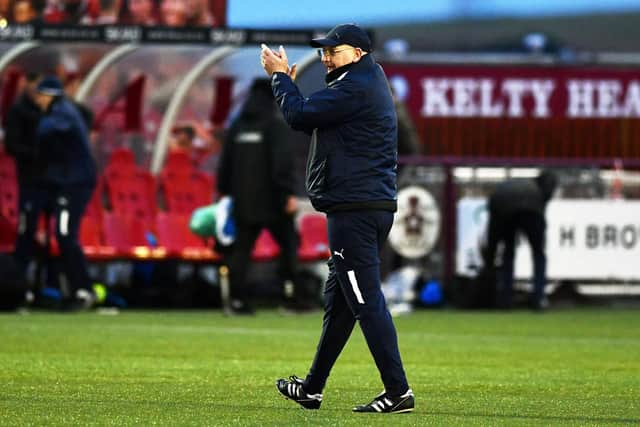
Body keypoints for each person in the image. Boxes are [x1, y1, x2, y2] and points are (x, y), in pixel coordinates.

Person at [261, 23, 414, 413]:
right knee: (342, 303)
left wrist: (279, 77)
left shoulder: (354, 87)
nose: (327, 57)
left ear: (358, 53)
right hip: (366, 207)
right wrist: (289, 85)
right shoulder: (363, 80)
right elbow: (311, 112)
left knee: (365, 301)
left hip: (354, 210)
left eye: (335, 50)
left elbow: (298, 116)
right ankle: (312, 388)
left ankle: (398, 392)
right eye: (325, 51)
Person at [216, 79, 302, 315]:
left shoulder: (237, 127)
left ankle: (236, 300)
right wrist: (288, 194)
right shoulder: (274, 125)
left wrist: (224, 192)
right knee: (289, 244)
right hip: (273, 201)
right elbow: (281, 165)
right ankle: (290, 297)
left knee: (241, 251)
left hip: (243, 201)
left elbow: (225, 165)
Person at [34, 75, 98, 311]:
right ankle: (76, 288)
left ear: (48, 95)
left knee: (65, 235)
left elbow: (46, 131)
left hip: (73, 183)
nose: (38, 101)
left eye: (40, 96)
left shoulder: (61, 113)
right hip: (72, 181)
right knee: (64, 237)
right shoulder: (68, 110)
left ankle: (82, 290)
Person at [484, 170, 558, 310]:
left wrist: (489, 260)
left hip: (503, 206)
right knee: (538, 254)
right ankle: (539, 299)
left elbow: (492, 234)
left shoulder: (510, 188)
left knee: (508, 252)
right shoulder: (537, 191)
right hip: (527, 210)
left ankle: (506, 300)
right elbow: (540, 223)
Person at [4, 72, 50, 287]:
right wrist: (38, 154)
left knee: (51, 235)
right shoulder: (18, 112)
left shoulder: (50, 112)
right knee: (26, 231)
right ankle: (19, 285)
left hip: (49, 181)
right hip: (29, 180)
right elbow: (12, 146)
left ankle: (46, 285)